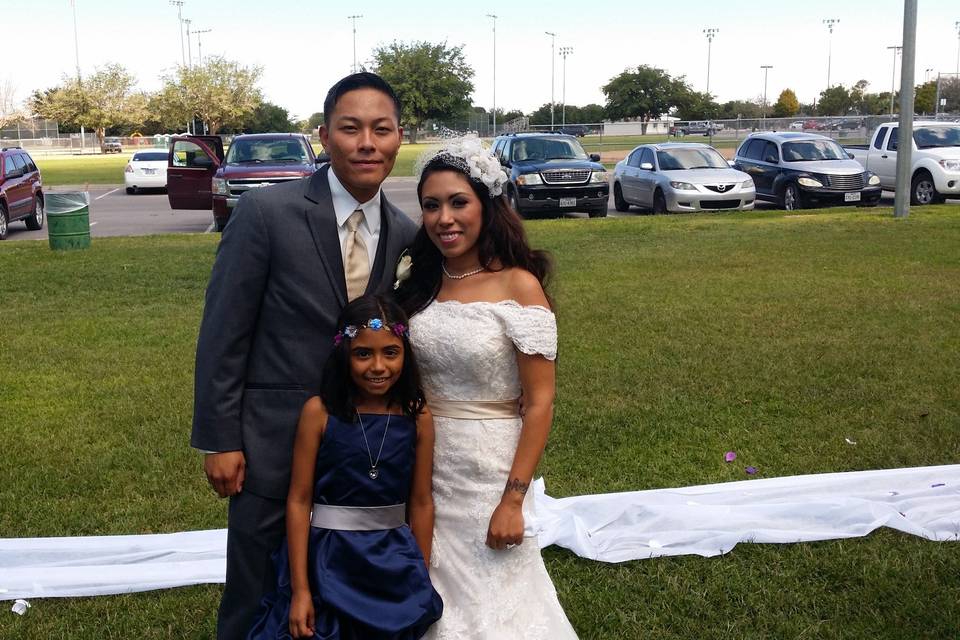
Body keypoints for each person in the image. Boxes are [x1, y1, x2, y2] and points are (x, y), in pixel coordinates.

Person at [191, 72, 418, 639]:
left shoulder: (407, 233)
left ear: (398, 138)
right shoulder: (267, 214)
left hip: (355, 450)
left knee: (338, 595)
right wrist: (221, 438)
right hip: (269, 441)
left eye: (381, 129)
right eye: (351, 128)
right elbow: (224, 333)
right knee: (253, 591)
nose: (367, 142)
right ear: (324, 136)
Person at [394, 137, 579, 638]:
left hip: (487, 469)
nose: (444, 218)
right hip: (422, 461)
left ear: (486, 205)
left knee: (493, 596)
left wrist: (513, 500)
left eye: (459, 202)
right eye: (431, 205)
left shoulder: (519, 285)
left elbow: (539, 402)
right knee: (427, 585)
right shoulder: (417, 284)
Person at [248, 294, 443, 639]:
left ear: (405, 354)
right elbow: (299, 500)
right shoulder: (319, 413)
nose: (378, 366)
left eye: (391, 352)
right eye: (363, 354)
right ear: (344, 354)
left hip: (392, 560)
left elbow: (422, 501)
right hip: (328, 560)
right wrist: (301, 590)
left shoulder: (417, 417)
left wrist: (420, 574)